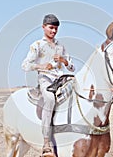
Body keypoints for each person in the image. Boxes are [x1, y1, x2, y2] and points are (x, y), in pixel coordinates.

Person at [21, 14, 75, 156]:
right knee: (50, 99)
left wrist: (64, 61)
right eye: (51, 28)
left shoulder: (61, 46)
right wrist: (42, 66)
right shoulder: (37, 45)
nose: (54, 31)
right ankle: (46, 144)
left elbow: (72, 68)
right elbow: (25, 65)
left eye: (56, 28)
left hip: (62, 78)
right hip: (45, 79)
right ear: (43, 27)